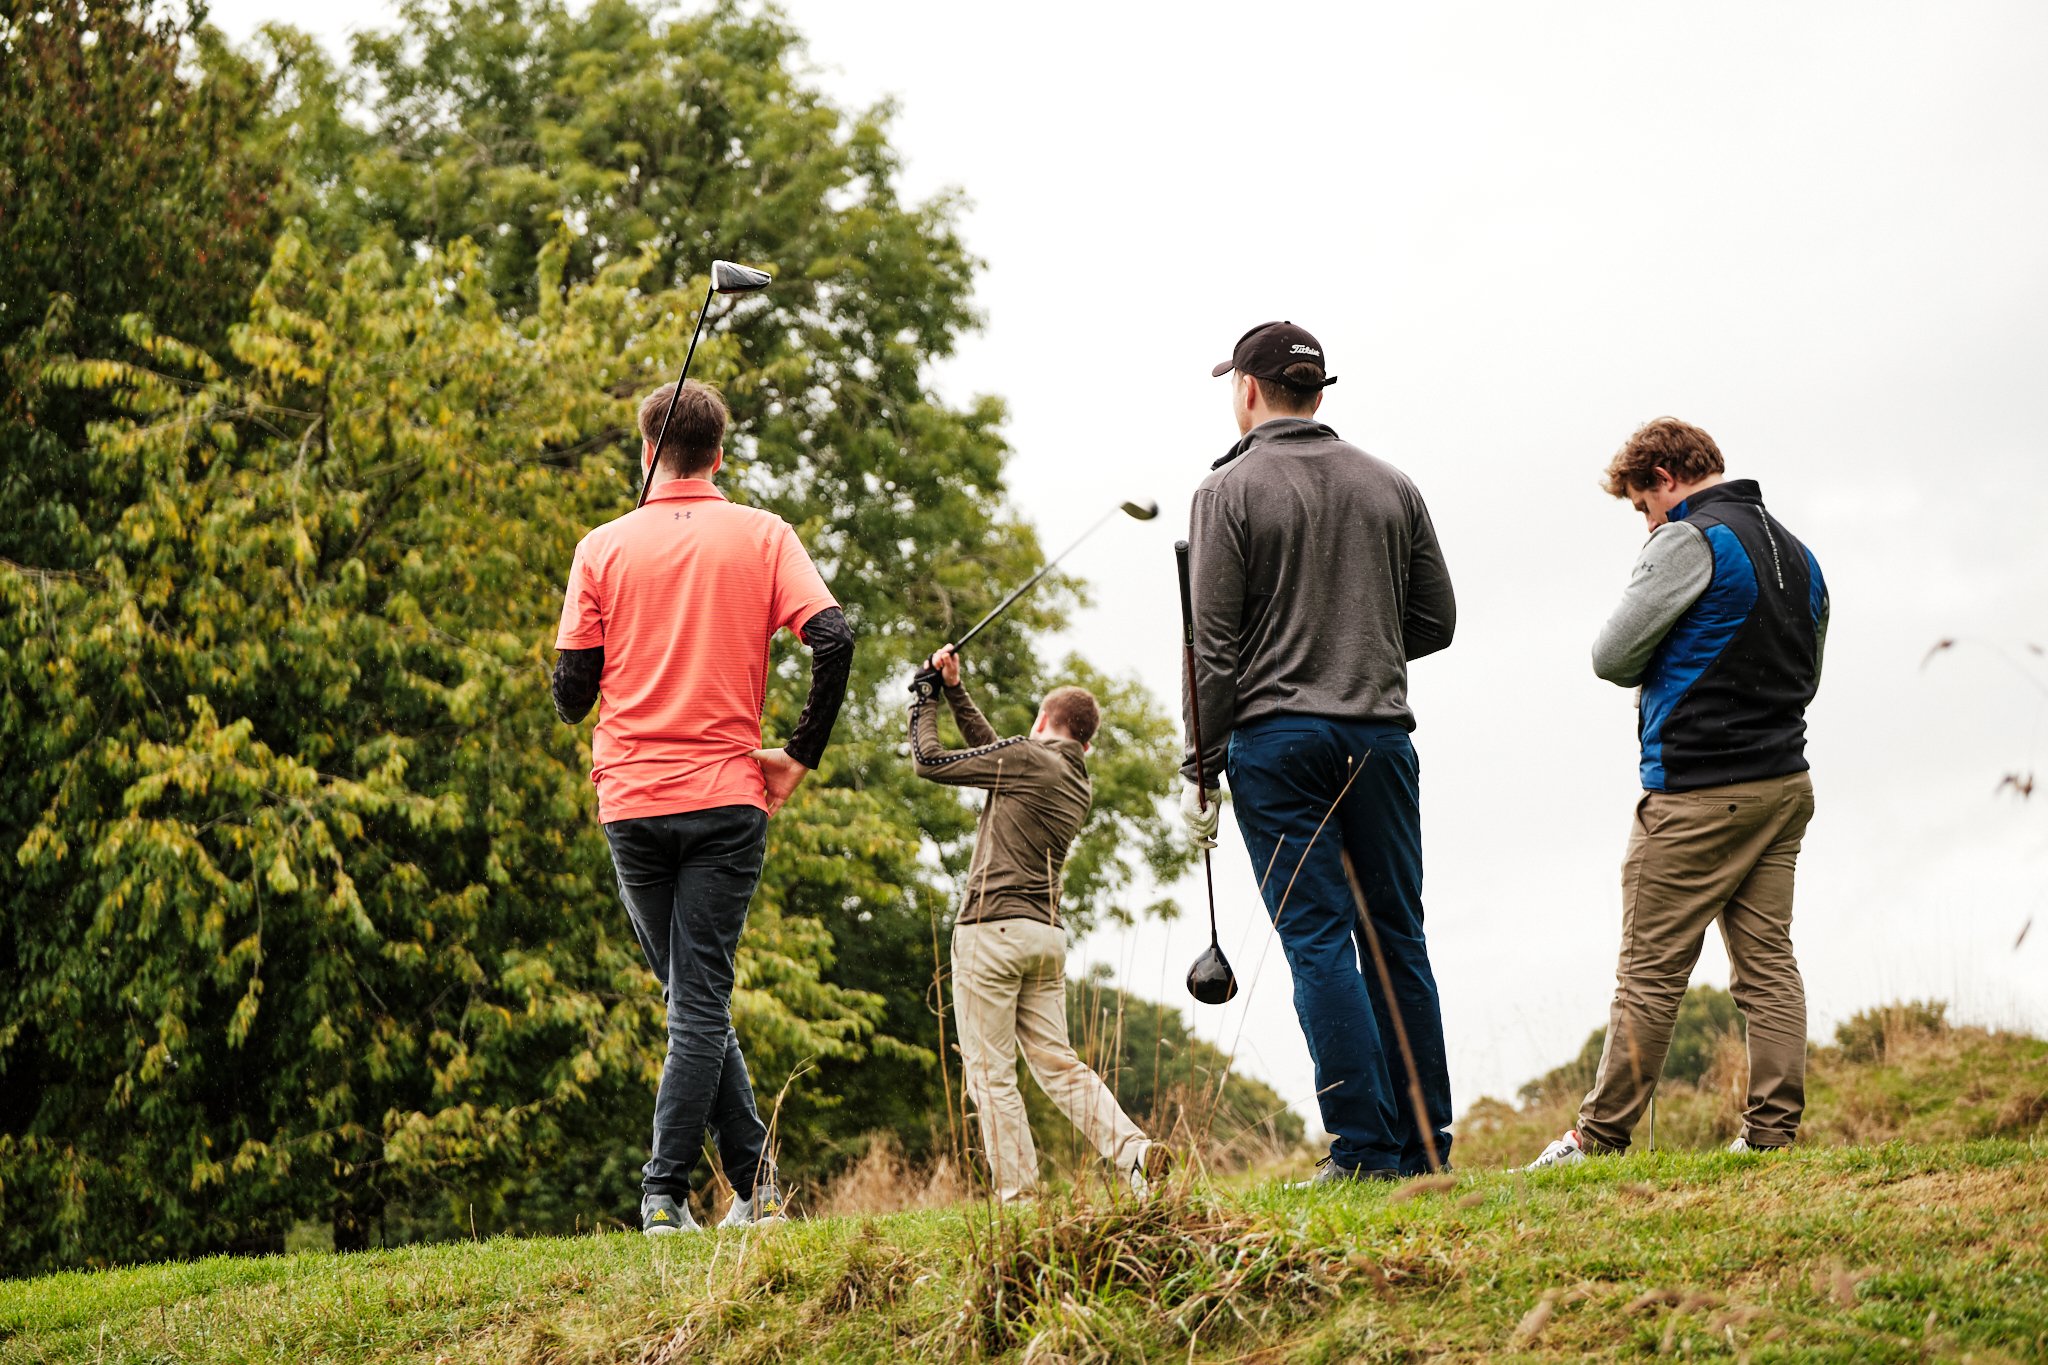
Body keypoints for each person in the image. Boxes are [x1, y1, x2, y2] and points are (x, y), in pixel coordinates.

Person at [552, 379, 854, 1234]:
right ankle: (714, 1190)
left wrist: (600, 637)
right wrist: (797, 756)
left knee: (692, 999)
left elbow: (573, 697)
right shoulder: (763, 534)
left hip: (634, 803)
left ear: (647, 452)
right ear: (719, 455)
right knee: (698, 1000)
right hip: (726, 797)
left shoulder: (601, 546)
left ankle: (694, 1194)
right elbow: (832, 638)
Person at [1181, 321, 1458, 1182]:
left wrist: (1201, 761)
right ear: (1319, 392)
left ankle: (1363, 1149)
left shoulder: (1225, 491)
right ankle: (1422, 1147)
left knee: (1319, 940)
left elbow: (1213, 651)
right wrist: (1360, 650)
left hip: (1276, 741)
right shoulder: (1391, 484)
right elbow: (1437, 622)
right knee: (1396, 938)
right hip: (1379, 736)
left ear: (1250, 391)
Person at [1529, 417, 1829, 1170]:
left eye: (1641, 505)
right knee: (1768, 964)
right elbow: (1807, 671)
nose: (1645, 520)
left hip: (1697, 793)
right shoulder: (1799, 550)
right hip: (1784, 782)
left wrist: (1657, 559)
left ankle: (1598, 1139)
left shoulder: (1687, 538)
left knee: (1650, 972)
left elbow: (1612, 656)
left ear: (1665, 478)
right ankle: (1771, 1135)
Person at [909, 646, 1171, 1202]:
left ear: (1041, 723)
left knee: (991, 1075)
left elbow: (928, 761)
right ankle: (1134, 1153)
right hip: (1044, 938)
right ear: (1087, 741)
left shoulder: (1029, 759)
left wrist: (923, 698)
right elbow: (997, 750)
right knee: (1060, 1065)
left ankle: (1020, 1199)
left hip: (992, 931)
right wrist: (955, 689)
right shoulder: (1075, 780)